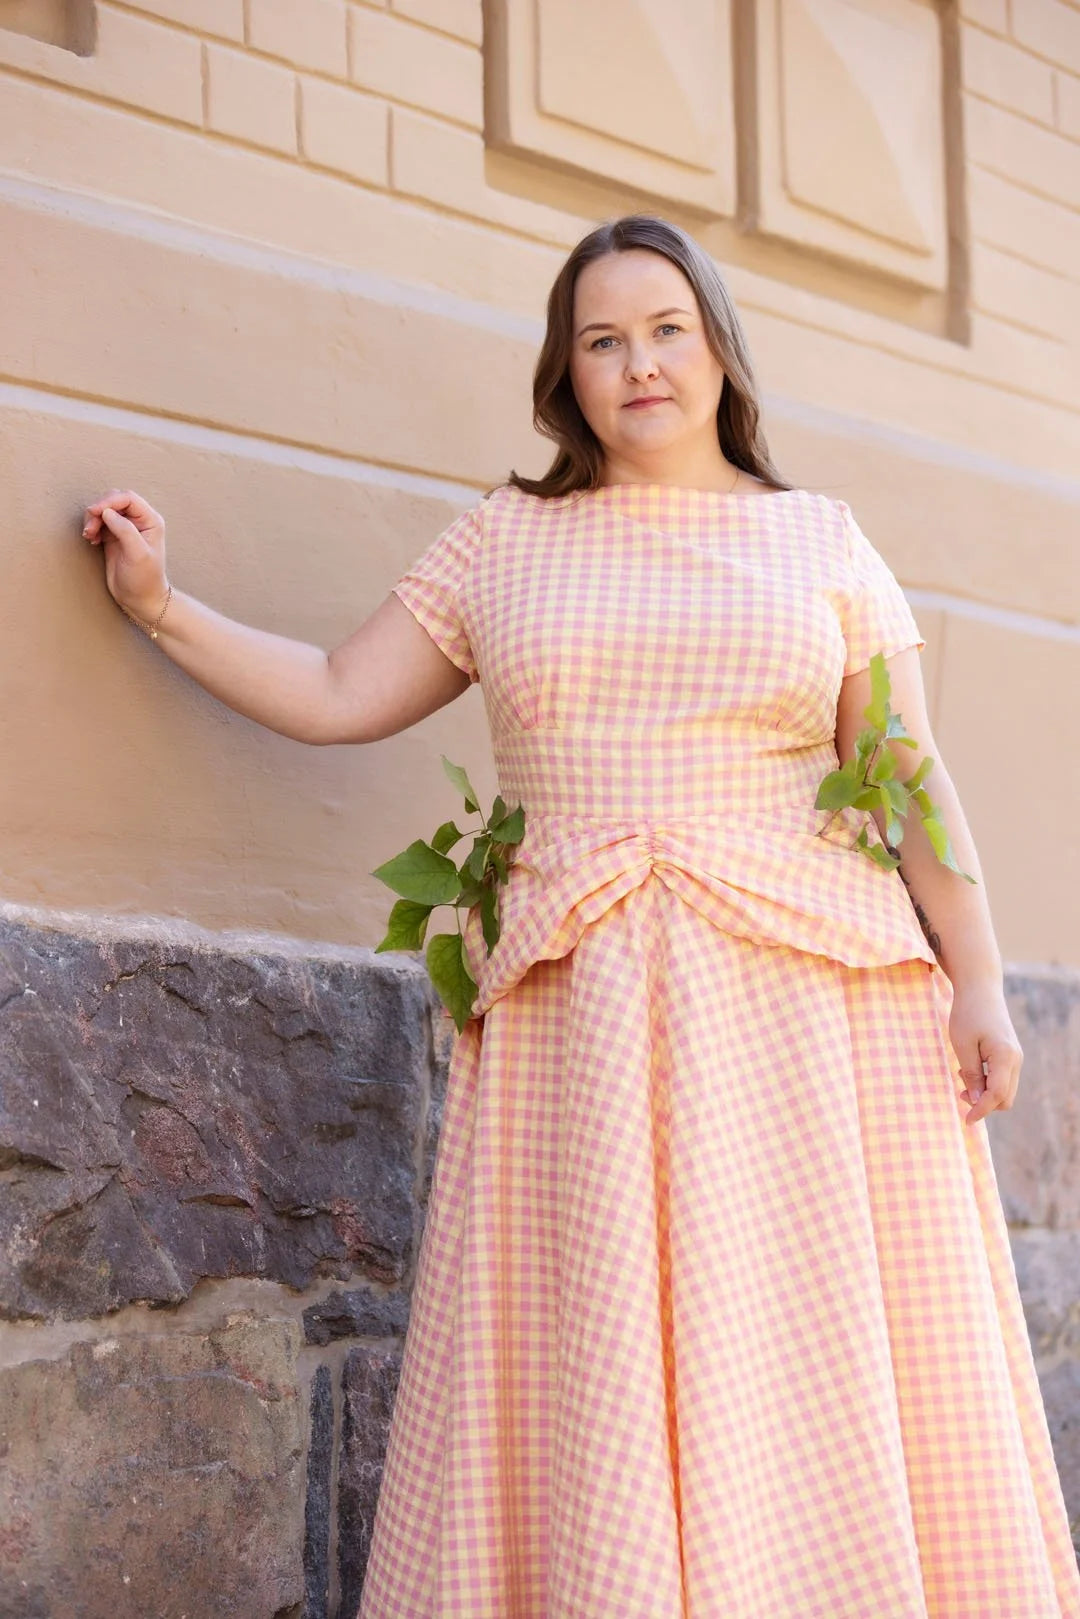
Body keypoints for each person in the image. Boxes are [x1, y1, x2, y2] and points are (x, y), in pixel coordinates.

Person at [82, 214, 1080, 1618]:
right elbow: (330, 689)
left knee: (804, 1351)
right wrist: (162, 604)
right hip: (585, 1027)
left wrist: (976, 980)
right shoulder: (507, 542)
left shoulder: (822, 542)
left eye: (667, 329)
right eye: (601, 340)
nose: (640, 363)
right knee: (598, 1361)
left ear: (722, 349)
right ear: (566, 375)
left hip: (812, 1024)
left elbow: (909, 783)